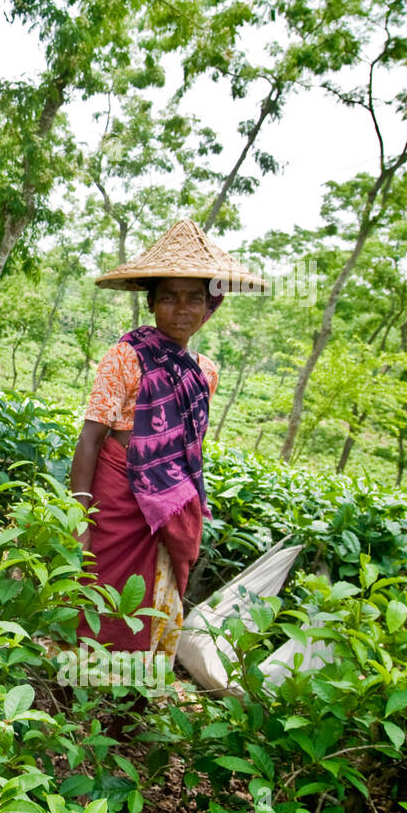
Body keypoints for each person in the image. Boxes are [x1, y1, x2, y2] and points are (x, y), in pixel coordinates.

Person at [68, 219, 266, 669]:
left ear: (210, 306)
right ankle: (79, 693)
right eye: (169, 297)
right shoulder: (127, 355)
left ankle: (134, 697)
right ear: (152, 303)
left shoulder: (206, 371)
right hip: (118, 498)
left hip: (172, 504)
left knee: (156, 601)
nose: (182, 309)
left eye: (194, 298)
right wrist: (80, 511)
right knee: (98, 594)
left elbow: (186, 447)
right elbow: (92, 436)